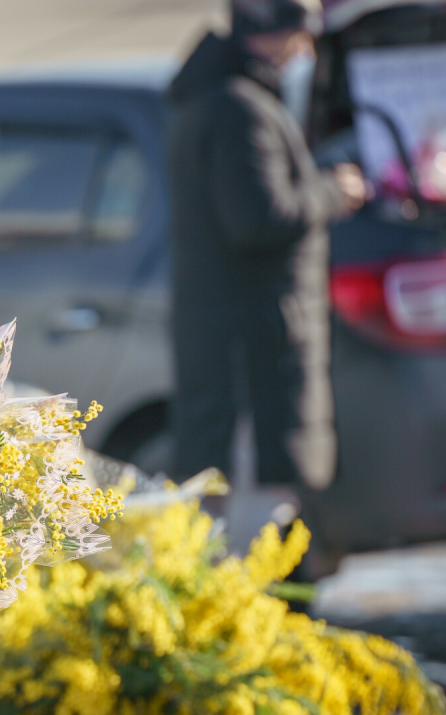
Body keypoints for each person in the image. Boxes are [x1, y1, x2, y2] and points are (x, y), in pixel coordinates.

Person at [168, 0, 366, 512]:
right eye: (303, 35)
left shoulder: (224, 97)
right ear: (275, 32)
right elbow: (258, 217)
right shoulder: (238, 108)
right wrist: (332, 192)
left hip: (240, 342)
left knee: (247, 508)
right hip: (250, 355)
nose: (306, 50)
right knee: (254, 511)